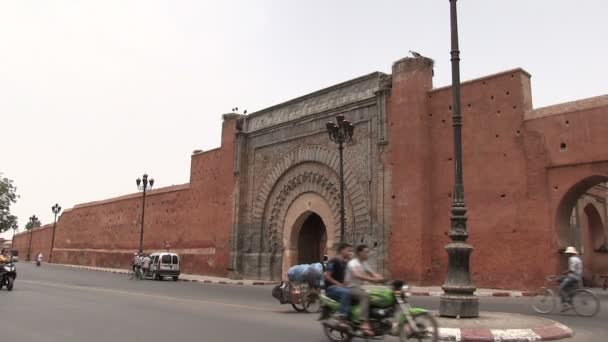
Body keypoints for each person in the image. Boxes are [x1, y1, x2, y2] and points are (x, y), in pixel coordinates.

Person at [345, 244, 384, 336]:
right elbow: (356, 275)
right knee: (364, 296)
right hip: (350, 287)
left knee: (377, 296)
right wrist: (372, 279)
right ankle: (364, 323)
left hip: (360, 287)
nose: (368, 254)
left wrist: (383, 280)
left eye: (368, 252)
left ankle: (376, 319)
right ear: (359, 253)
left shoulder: (364, 263)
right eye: (366, 252)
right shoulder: (353, 263)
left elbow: (373, 273)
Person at [324, 243, 353, 325]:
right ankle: (342, 317)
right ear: (341, 251)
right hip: (331, 288)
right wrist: (338, 284)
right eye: (348, 251)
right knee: (346, 292)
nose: (350, 253)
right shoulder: (334, 261)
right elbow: (327, 276)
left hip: (341, 287)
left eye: (351, 251)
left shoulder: (346, 263)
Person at [559, 246, 583, 311]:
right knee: (568, 289)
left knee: (560, 288)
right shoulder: (578, 259)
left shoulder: (571, 259)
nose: (567, 254)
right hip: (578, 277)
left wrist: (565, 272)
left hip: (572, 277)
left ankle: (565, 304)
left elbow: (572, 270)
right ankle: (570, 302)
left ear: (570, 253)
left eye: (568, 253)